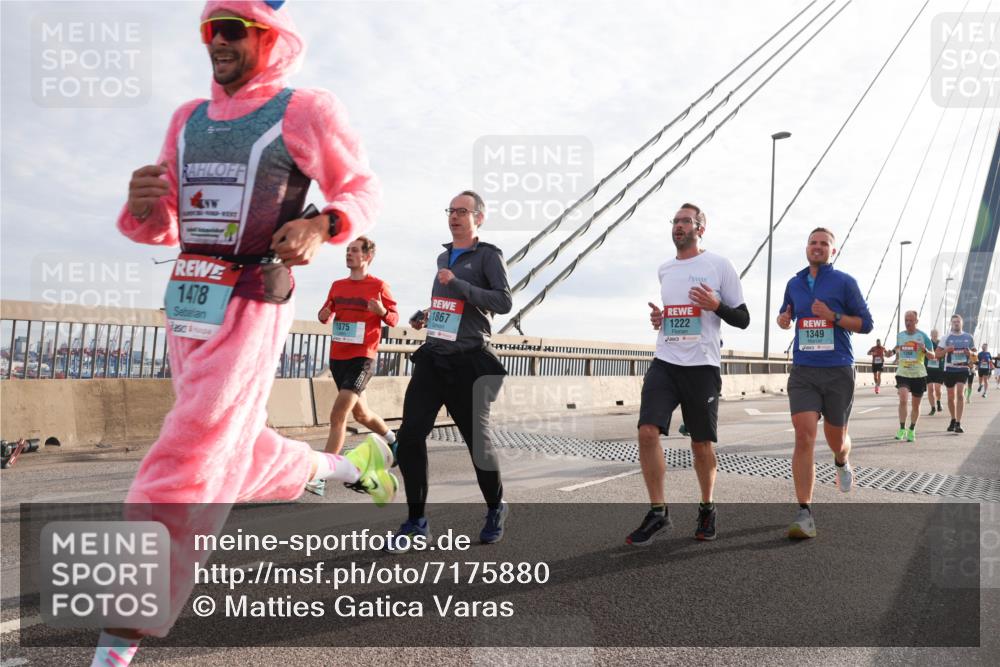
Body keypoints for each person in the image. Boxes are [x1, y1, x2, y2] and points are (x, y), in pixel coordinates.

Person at [97, 3, 385, 665]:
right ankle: (353, 464)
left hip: (254, 300)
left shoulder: (304, 109)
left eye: (233, 29)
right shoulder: (186, 120)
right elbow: (166, 224)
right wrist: (143, 209)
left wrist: (322, 226)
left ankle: (116, 644)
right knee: (237, 451)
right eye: (210, 29)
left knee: (186, 456)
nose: (217, 42)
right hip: (188, 304)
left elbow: (362, 186)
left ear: (269, 35)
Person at [386, 191, 513, 553]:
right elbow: (449, 306)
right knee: (410, 436)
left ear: (479, 218)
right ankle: (416, 521)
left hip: (470, 361)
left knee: (477, 442)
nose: (454, 216)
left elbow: (502, 302)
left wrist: (458, 283)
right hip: (434, 356)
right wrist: (426, 315)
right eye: (451, 211)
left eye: (462, 211)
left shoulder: (489, 255)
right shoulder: (444, 256)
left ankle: (495, 507)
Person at [628, 203, 750, 545]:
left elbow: (743, 318)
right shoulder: (665, 269)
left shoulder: (719, 265)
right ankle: (658, 512)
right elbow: (678, 313)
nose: (679, 226)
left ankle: (707, 506)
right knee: (648, 431)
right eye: (676, 221)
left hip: (702, 366)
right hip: (665, 361)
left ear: (701, 228)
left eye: (686, 221)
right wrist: (662, 319)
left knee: (700, 445)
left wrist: (716, 306)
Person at [776, 228, 873, 539]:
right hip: (804, 370)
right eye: (813, 243)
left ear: (833, 251)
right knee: (804, 436)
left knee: (836, 440)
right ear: (806, 247)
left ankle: (842, 460)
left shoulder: (844, 282)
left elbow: (866, 324)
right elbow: (785, 314)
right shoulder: (794, 283)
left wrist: (833, 316)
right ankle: (804, 512)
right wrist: (783, 319)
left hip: (837, 370)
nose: (817, 248)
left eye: (824, 244)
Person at [306, 236, 399, 496]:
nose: (349, 254)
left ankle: (321, 476)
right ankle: (394, 441)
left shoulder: (379, 285)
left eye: (354, 250)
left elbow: (393, 318)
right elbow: (325, 313)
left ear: (367, 256)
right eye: (347, 250)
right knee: (362, 415)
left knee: (338, 416)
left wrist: (382, 312)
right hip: (338, 357)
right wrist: (324, 315)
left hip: (362, 358)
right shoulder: (337, 285)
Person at [884, 311, 935, 442]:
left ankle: (912, 429)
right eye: (906, 320)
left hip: (918, 374)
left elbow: (932, 356)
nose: (908, 323)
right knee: (903, 399)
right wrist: (890, 353)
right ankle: (902, 428)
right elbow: (897, 347)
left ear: (916, 321)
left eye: (911, 320)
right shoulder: (900, 335)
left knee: (916, 405)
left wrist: (925, 351)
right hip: (903, 372)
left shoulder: (923, 336)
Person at [938, 314, 975, 434]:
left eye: (958, 322)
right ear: (951, 323)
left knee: (960, 394)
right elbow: (937, 354)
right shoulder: (945, 338)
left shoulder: (968, 337)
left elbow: (975, 355)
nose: (956, 324)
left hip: (962, 369)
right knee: (950, 397)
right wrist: (946, 350)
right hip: (949, 369)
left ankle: (958, 423)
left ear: (961, 323)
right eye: (954, 322)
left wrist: (970, 353)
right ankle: (953, 419)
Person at [925, 328, 945, 415]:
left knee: (937, 389)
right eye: (933, 333)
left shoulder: (942, 344)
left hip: (939, 369)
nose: (934, 335)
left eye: (936, 334)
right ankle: (933, 408)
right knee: (930, 389)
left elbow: (945, 353)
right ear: (930, 334)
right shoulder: (927, 344)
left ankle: (938, 402)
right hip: (928, 369)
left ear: (938, 334)